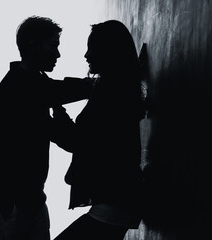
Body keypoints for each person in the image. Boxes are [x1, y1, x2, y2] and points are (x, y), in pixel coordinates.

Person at [0, 16, 92, 240]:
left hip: (27, 202)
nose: (57, 54)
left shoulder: (30, 88)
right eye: (53, 45)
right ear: (32, 45)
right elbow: (58, 93)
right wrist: (98, 85)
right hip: (12, 204)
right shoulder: (20, 91)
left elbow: (64, 134)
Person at [51, 20, 145, 240]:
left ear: (108, 52)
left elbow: (78, 141)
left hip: (114, 201)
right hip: (119, 200)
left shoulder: (111, 92)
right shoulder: (119, 86)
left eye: (92, 48)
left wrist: (53, 118)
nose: (86, 55)